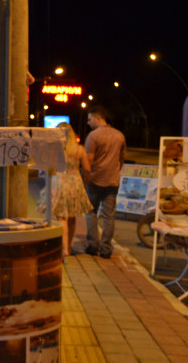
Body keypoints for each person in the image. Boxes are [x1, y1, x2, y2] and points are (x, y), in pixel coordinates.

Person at [38, 122, 92, 256]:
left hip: (59, 183)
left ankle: (64, 249)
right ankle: (69, 245)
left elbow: (45, 168)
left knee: (62, 218)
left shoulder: (54, 149)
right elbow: (87, 169)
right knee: (72, 218)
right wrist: (84, 183)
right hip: (75, 184)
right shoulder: (79, 150)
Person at [83, 105, 126, 259]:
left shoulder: (93, 136)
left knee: (90, 212)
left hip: (95, 180)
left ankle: (93, 245)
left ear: (98, 117)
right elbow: (121, 159)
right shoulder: (119, 135)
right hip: (112, 182)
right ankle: (106, 248)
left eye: (90, 119)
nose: (88, 122)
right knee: (109, 216)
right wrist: (114, 172)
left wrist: (84, 179)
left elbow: (89, 160)